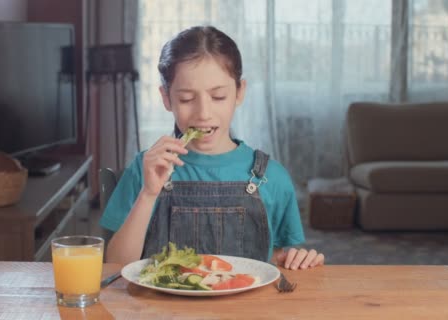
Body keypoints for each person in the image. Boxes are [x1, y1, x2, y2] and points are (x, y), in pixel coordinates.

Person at [100, 25, 324, 270]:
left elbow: (273, 262)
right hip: (160, 308)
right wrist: (148, 193)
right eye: (186, 99)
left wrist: (298, 260)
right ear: (166, 99)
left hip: (245, 308)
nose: (203, 114)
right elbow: (116, 265)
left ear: (240, 93)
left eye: (218, 97)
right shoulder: (146, 170)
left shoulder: (272, 177)